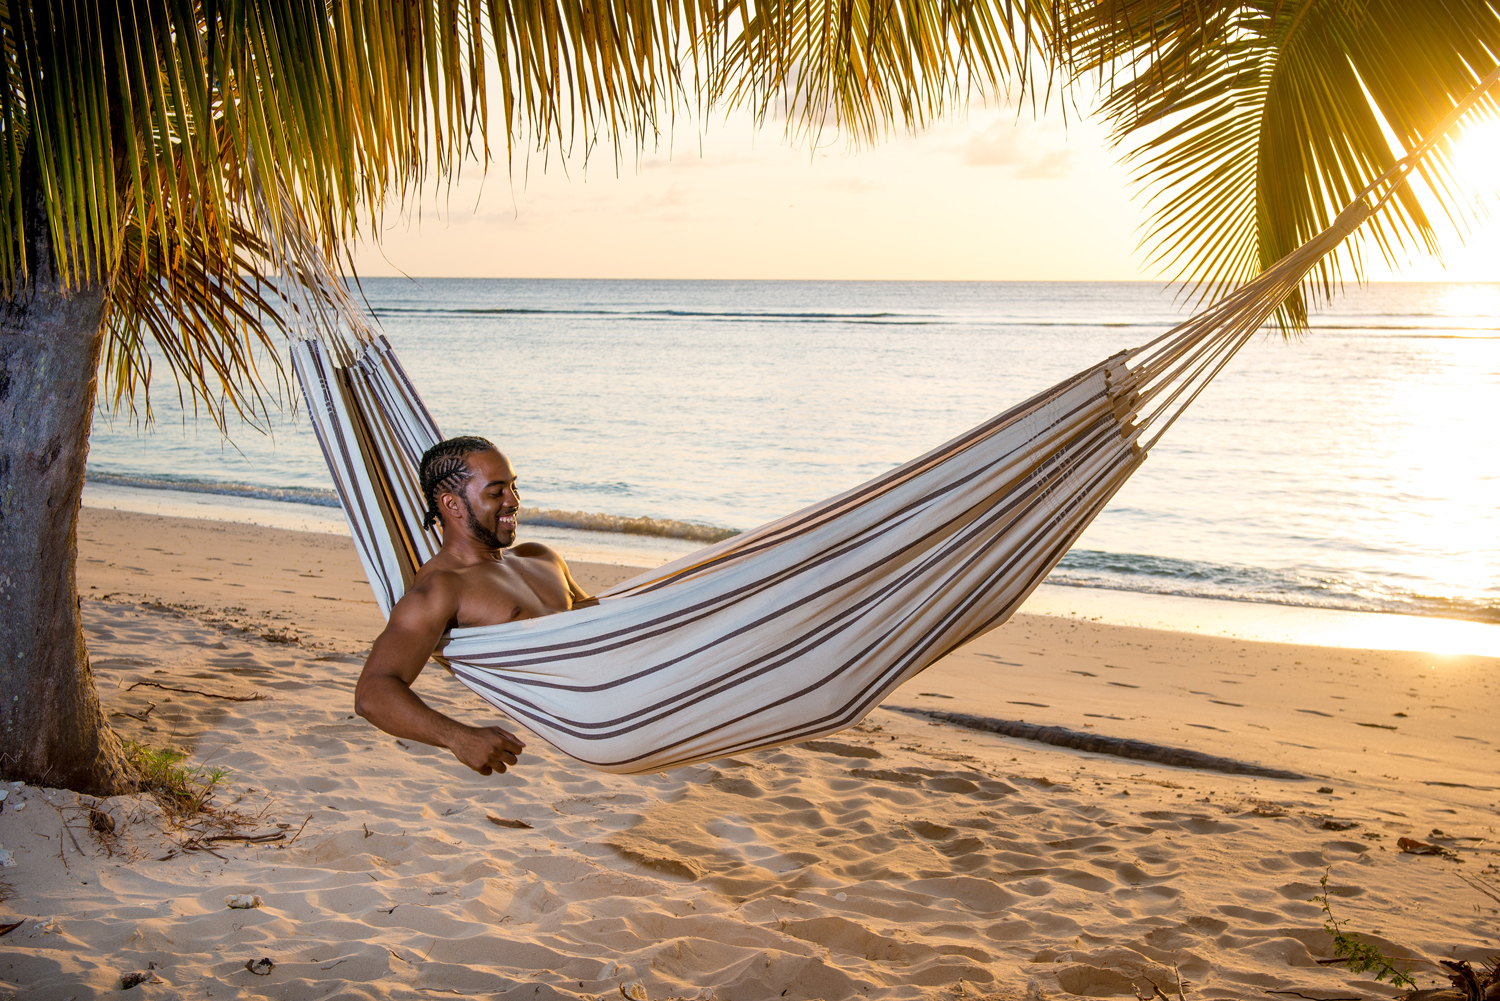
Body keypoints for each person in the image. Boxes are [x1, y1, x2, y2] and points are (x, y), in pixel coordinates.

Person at [354, 436, 595, 776]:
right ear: (452, 505)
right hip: (593, 720)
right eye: (496, 492)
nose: (514, 501)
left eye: (513, 487)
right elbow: (372, 693)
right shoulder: (443, 589)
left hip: (630, 683)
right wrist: (457, 736)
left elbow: (603, 625)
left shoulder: (541, 557)